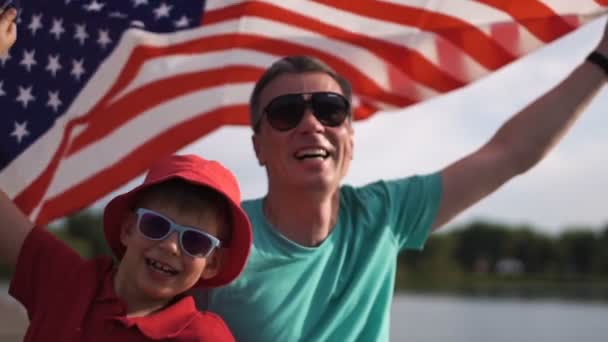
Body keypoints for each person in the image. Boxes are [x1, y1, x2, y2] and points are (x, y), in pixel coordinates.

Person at [202, 17, 608, 341]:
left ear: (350, 138)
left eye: (330, 110)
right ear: (258, 147)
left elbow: (508, 154)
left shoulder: (385, 214)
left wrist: (603, 59)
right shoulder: (216, 240)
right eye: (286, 112)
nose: (311, 124)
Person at [0, 149, 252, 339]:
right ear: (128, 228)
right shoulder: (67, 280)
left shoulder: (204, 336)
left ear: (212, 262)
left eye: (195, 241)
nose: (171, 246)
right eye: (156, 225)